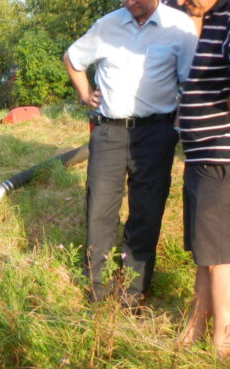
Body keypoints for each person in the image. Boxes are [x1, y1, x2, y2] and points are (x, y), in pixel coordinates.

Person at [63, 0, 197, 306]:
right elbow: (72, 57)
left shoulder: (179, 27)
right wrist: (85, 94)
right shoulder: (107, 25)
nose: (129, 3)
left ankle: (132, 294)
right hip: (109, 131)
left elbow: (191, 80)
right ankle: (99, 289)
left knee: (147, 212)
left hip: (155, 133)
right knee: (100, 209)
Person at [174, 0, 230, 357]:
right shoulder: (200, 14)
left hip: (220, 153)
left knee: (221, 254)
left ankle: (223, 342)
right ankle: (196, 324)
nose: (179, 2)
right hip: (198, 155)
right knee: (203, 250)